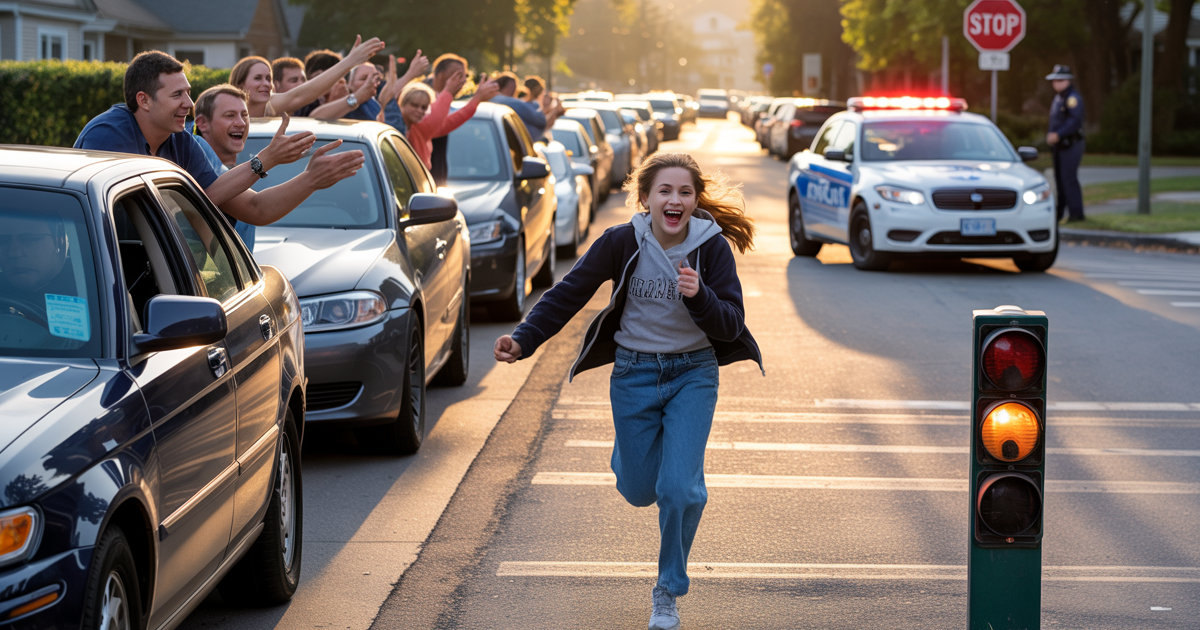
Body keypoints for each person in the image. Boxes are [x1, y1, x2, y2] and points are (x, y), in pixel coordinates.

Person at [493, 152, 762, 630]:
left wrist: (700, 297)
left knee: (679, 490)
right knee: (641, 490)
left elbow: (730, 325)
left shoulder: (711, 247)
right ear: (645, 199)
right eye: (664, 191)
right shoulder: (622, 242)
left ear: (695, 201)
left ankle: (667, 591)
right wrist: (524, 337)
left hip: (693, 374)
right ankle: (636, 460)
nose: (674, 199)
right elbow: (568, 291)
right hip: (634, 373)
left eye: (684, 192)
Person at [75, 51, 365, 236]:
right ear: (144, 100)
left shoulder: (182, 142)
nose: (189, 103)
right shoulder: (108, 136)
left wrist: (311, 179)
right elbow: (183, 210)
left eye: (188, 93)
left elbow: (254, 208)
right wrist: (264, 161)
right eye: (177, 95)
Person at [229, 35, 385, 118]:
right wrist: (349, 63)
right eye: (257, 78)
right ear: (240, 85)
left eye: (268, 79)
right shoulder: (222, 107)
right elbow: (301, 95)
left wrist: (349, 63)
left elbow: (302, 95)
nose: (265, 84)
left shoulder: (270, 105)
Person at [400, 70, 499, 169]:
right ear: (402, 104)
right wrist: (448, 92)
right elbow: (436, 117)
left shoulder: (418, 128)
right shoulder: (417, 127)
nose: (419, 110)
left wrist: (476, 100)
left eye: (424, 107)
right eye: (414, 105)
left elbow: (452, 121)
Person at [1046, 64, 1085, 222]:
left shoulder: (1072, 98)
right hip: (1059, 145)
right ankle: (1059, 212)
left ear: (1067, 81)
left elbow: (1074, 121)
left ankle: (1076, 214)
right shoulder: (1058, 98)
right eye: (1054, 80)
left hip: (1071, 143)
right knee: (1059, 179)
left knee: (1068, 178)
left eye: (1060, 80)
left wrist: (1058, 134)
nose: (1056, 83)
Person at [426, 53, 470, 185]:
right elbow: (437, 128)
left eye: (464, 76)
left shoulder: (445, 98)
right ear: (439, 75)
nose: (462, 81)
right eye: (457, 76)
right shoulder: (423, 96)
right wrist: (477, 100)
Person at [491, 71, 559, 142]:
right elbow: (541, 121)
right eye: (510, 88)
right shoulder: (513, 103)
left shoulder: (492, 101)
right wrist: (554, 110)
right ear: (501, 88)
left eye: (514, 88)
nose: (513, 91)